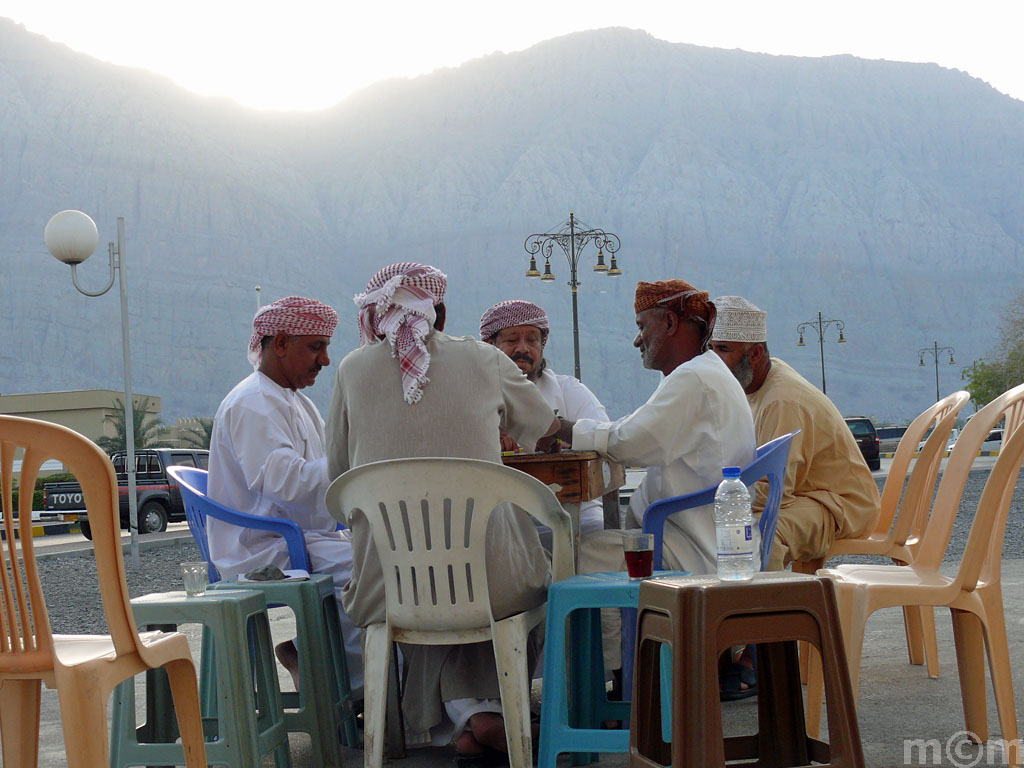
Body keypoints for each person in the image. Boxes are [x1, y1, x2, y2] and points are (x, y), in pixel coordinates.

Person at [325, 263, 560, 763]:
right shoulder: (484, 359)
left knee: (424, 580)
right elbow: (539, 424)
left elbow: (340, 471)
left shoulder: (350, 370)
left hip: (387, 580)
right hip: (489, 579)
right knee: (532, 569)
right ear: (441, 312)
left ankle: (464, 719)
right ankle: (486, 713)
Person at [552, 280, 756, 697]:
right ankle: (626, 678)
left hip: (689, 546)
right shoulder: (701, 374)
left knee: (577, 554)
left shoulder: (695, 380)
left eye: (642, 325)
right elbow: (638, 430)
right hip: (700, 538)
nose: (636, 339)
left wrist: (559, 429)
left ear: (669, 322)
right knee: (598, 546)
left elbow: (630, 441)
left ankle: (622, 683)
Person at [206, 295, 363, 697]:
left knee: (385, 557)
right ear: (279, 344)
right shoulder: (253, 402)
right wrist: (361, 465)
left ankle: (318, 661)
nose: (325, 360)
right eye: (316, 347)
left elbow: (321, 473)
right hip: (263, 549)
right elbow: (287, 484)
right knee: (373, 568)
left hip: (301, 538)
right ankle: (353, 690)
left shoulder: (297, 401)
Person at [710, 295, 880, 571]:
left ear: (755, 354)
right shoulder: (759, 381)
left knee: (754, 534)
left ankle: (764, 610)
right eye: (711, 349)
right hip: (806, 498)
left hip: (838, 505)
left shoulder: (782, 401)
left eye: (724, 349)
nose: (715, 360)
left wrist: (714, 503)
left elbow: (773, 489)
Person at [480, 299, 611, 540]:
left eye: (532, 340)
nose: (523, 348)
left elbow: (606, 438)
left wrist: (556, 438)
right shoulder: (473, 395)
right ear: (490, 345)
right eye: (511, 340)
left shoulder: (567, 390)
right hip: (499, 521)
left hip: (575, 514)